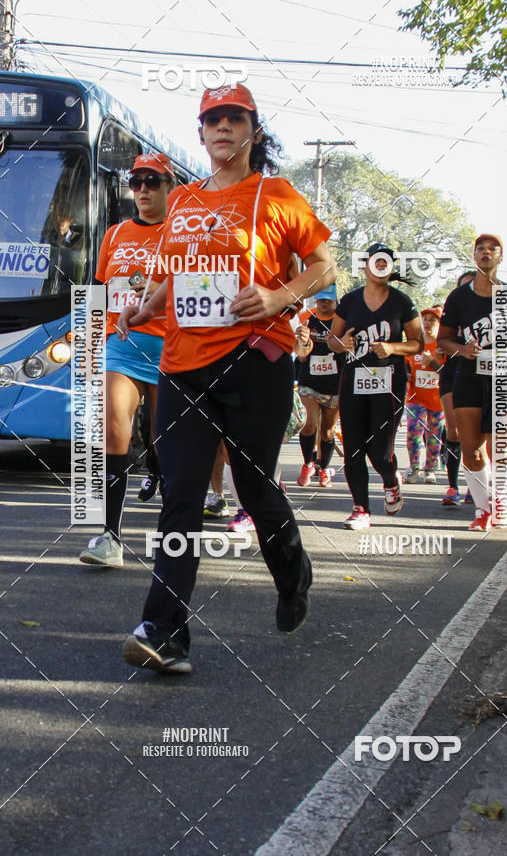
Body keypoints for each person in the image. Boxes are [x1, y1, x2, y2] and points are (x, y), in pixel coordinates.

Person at [117, 83, 335, 673]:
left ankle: (292, 572)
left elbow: (323, 266)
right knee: (181, 496)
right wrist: (145, 309)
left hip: (253, 360)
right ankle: (165, 633)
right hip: (183, 366)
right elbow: (168, 279)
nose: (222, 128)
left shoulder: (277, 194)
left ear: (252, 131)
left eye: (234, 119)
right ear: (201, 132)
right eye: (212, 119)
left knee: (255, 486)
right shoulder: (183, 201)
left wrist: (276, 295)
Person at [78, 153, 175, 565]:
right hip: (123, 344)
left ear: (169, 185)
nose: (143, 191)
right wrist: (87, 343)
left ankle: (175, 539)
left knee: (165, 442)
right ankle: (110, 538)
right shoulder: (115, 234)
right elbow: (98, 289)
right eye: (136, 182)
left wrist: (153, 288)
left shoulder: (181, 232)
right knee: (112, 432)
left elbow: (201, 284)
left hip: (173, 346)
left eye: (152, 181)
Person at [437, 234, 507, 531]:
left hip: (503, 377)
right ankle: (481, 509)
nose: (486, 253)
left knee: (500, 446)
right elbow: (443, 338)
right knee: (472, 448)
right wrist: (463, 349)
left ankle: (500, 499)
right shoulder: (460, 297)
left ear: (500, 257)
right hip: (468, 376)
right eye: (481, 249)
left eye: (493, 249)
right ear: (474, 255)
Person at [328, 243, 423, 530]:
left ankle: (391, 480)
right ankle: (360, 509)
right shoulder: (349, 301)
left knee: (379, 451)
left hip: (388, 382)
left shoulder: (402, 302)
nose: (380, 266)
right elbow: (333, 340)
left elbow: (418, 343)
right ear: (365, 265)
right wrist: (340, 343)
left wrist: (393, 346)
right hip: (353, 381)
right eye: (375, 261)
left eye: (386, 263)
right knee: (354, 446)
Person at [294, 283, 343, 488]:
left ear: (335, 301)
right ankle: (308, 464)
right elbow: (300, 354)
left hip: (334, 384)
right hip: (309, 382)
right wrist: (302, 344)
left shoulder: (343, 320)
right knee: (309, 423)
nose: (323, 304)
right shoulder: (307, 318)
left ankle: (323, 469)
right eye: (320, 299)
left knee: (327, 431)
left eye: (328, 300)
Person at [437, 271, 476, 505]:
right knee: (453, 432)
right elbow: (439, 340)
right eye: (463, 286)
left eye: (472, 286)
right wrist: (441, 351)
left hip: (480, 375)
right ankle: (452, 487)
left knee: (475, 437)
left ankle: (475, 484)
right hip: (452, 375)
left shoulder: (491, 312)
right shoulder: (452, 312)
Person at [404, 306, 446, 484]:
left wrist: (433, 363)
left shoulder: (444, 346)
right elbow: (405, 363)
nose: (428, 324)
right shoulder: (416, 343)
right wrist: (406, 374)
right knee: (413, 433)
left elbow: (448, 373)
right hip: (415, 398)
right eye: (425, 320)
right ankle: (414, 468)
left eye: (432, 320)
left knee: (434, 436)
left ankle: (430, 469)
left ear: (439, 324)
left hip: (437, 400)